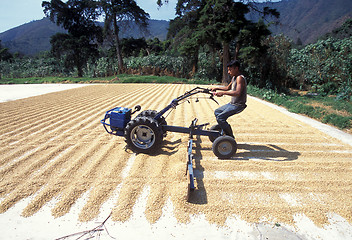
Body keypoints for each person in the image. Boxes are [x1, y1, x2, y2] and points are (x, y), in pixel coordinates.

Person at [210, 60, 247, 138]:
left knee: (220, 117)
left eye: (230, 70)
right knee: (217, 112)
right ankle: (223, 128)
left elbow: (237, 93)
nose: (228, 72)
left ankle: (230, 137)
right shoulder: (234, 77)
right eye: (228, 70)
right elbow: (227, 88)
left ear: (236, 68)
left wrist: (222, 93)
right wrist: (216, 88)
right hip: (232, 103)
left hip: (238, 105)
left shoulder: (240, 78)